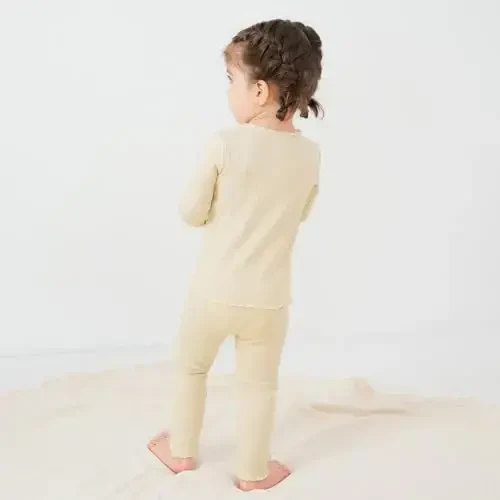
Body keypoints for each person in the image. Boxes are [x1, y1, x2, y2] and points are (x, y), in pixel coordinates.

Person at [147, 18, 323, 491]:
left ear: (260, 91)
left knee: (191, 368)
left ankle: (181, 451)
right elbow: (301, 213)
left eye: (231, 80)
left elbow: (191, 211)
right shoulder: (310, 156)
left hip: (213, 291)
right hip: (270, 301)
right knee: (259, 387)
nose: (228, 92)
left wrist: (217, 213)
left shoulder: (224, 142)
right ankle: (253, 473)